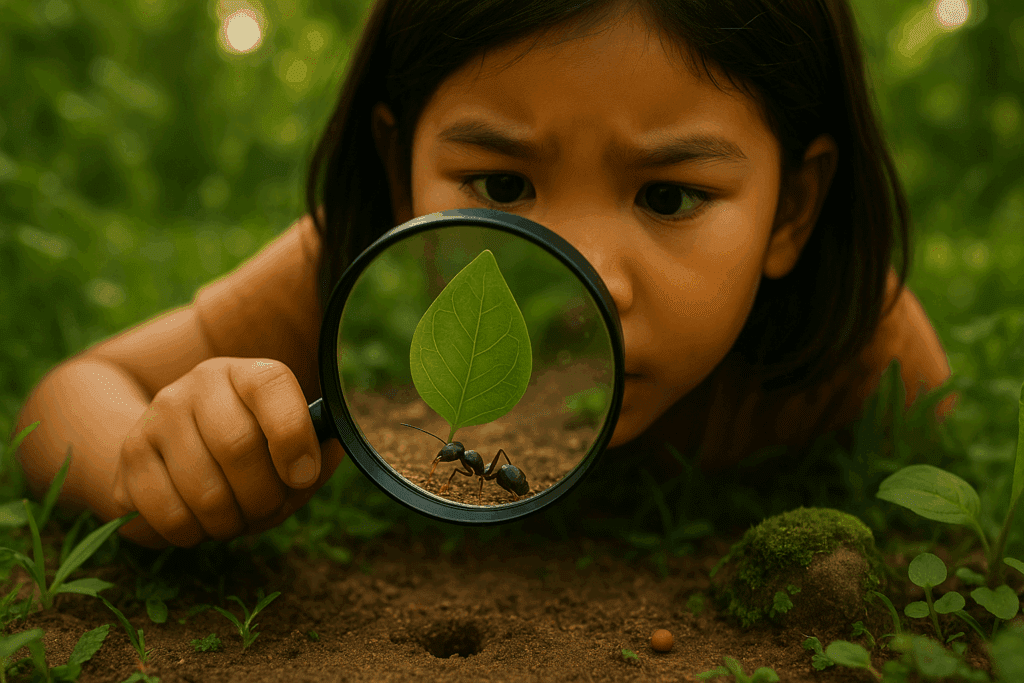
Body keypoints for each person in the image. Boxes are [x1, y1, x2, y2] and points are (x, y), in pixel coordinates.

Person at [13, 0, 956, 549]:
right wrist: (146, 464)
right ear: (401, 179)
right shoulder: (351, 280)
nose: (583, 282)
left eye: (669, 196)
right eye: (503, 187)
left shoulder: (860, 348)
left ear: (792, 210)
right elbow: (72, 392)